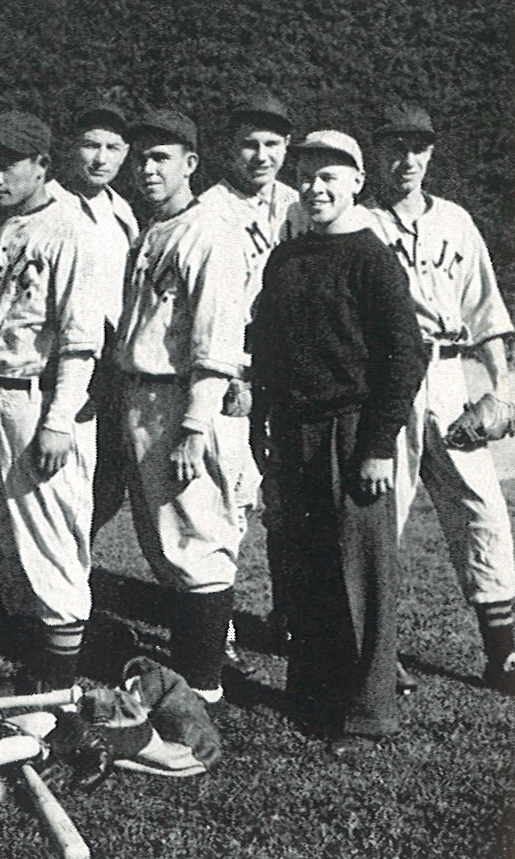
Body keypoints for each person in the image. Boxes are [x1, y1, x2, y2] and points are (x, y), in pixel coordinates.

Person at [368, 103, 515, 702]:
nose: (407, 159)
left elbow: (485, 311)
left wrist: (498, 391)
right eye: (396, 146)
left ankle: (502, 661)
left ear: (431, 154)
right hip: (385, 381)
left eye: (418, 148)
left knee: (484, 511)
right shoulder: (359, 222)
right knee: (380, 519)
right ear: (378, 153)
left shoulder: (455, 220)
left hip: (451, 376)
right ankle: (375, 659)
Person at [251, 130, 425, 755]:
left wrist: (379, 445)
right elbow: (266, 350)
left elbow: (406, 357)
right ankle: (316, 692)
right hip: (294, 431)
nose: (316, 187)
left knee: (362, 575)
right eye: (306, 176)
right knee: (308, 568)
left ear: (355, 182)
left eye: (330, 176)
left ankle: (369, 710)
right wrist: (262, 430)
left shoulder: (372, 258)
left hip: (354, 433)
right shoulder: (286, 258)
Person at [114, 108, 250, 706]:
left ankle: (204, 684)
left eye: (161, 157)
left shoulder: (210, 231)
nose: (148, 168)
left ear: (190, 164)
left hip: (183, 400)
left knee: (198, 537)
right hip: (142, 394)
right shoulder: (151, 230)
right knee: (164, 540)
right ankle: (200, 661)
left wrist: (195, 428)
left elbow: (217, 343)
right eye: (141, 157)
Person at [0, 111, 101, 693]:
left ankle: (57, 684)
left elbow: (80, 339)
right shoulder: (6, 229)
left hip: (38, 398)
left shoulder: (72, 228)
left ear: (43, 165)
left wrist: (59, 420)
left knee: (50, 539)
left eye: (9, 164)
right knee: (4, 538)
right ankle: (34, 671)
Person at [196, 91, 300, 666]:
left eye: (272, 145)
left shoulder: (297, 202)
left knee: (292, 501)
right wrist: (234, 373)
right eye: (249, 145)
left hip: (290, 370)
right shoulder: (211, 207)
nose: (260, 156)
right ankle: (222, 633)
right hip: (236, 369)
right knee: (231, 500)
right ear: (228, 149)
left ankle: (288, 618)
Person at [47, 101, 139, 537]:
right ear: (70, 148)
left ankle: (77, 561)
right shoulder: (49, 203)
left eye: (113, 148)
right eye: (90, 145)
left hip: (111, 360)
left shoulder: (122, 211)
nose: (101, 158)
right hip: (60, 357)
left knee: (108, 477)